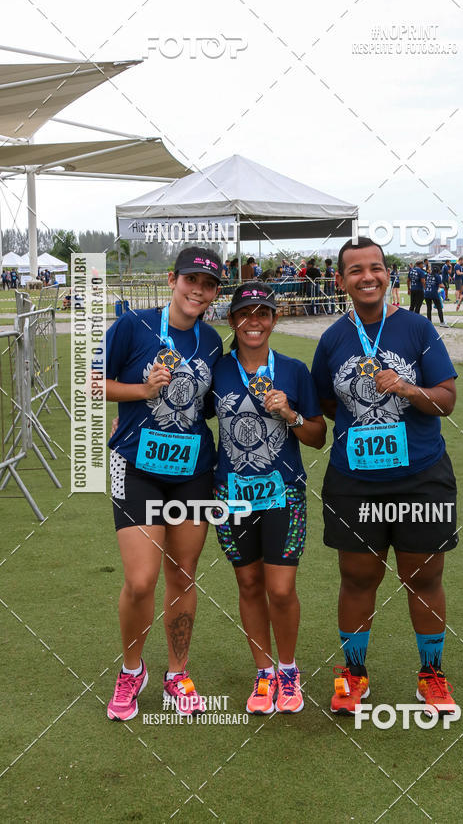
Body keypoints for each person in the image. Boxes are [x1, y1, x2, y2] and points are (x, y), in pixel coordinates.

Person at [311, 236, 459, 718]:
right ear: (341, 280)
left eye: (375, 267)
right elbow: (327, 404)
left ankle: (432, 674)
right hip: (354, 481)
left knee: (424, 577)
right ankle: (353, 674)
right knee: (357, 579)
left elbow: (446, 400)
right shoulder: (332, 339)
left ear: (387, 274)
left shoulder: (417, 328)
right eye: (356, 270)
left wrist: (407, 389)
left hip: (420, 476)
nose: (367, 277)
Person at [104, 247, 223, 721]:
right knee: (140, 581)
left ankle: (177, 673)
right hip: (136, 466)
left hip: (193, 471)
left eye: (208, 285)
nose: (198, 290)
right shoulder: (133, 325)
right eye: (191, 280)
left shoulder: (212, 341)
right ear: (173, 279)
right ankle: (132, 670)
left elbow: (208, 405)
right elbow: (92, 381)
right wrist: (142, 392)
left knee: (182, 574)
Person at [212, 282, 326, 714]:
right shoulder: (218, 370)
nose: (253, 322)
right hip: (232, 494)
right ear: (232, 320)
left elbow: (317, 436)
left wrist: (290, 414)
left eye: (263, 313)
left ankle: (288, 670)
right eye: (245, 313)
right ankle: (263, 673)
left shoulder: (294, 371)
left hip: (284, 493)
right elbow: (186, 414)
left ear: (275, 320)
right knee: (248, 583)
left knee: (280, 589)